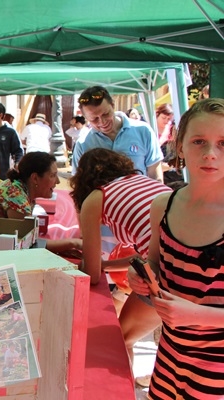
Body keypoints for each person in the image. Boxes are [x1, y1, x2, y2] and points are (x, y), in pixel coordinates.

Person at [128, 99, 224, 399]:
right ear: (179, 146)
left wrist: (197, 314)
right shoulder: (163, 206)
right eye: (199, 141)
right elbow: (156, 263)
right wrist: (141, 276)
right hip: (168, 357)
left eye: (223, 143)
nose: (210, 154)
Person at [69, 148, 172, 374]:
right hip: (192, 265)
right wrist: (106, 266)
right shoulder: (142, 181)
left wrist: (87, 264)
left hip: (167, 274)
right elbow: (141, 256)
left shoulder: (97, 197)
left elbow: (93, 275)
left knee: (121, 339)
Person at [72, 85, 163, 181]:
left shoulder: (143, 131)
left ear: (112, 105)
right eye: (94, 119)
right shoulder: (83, 144)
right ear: (85, 118)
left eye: (106, 114)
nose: (102, 122)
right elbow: (79, 183)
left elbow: (156, 176)